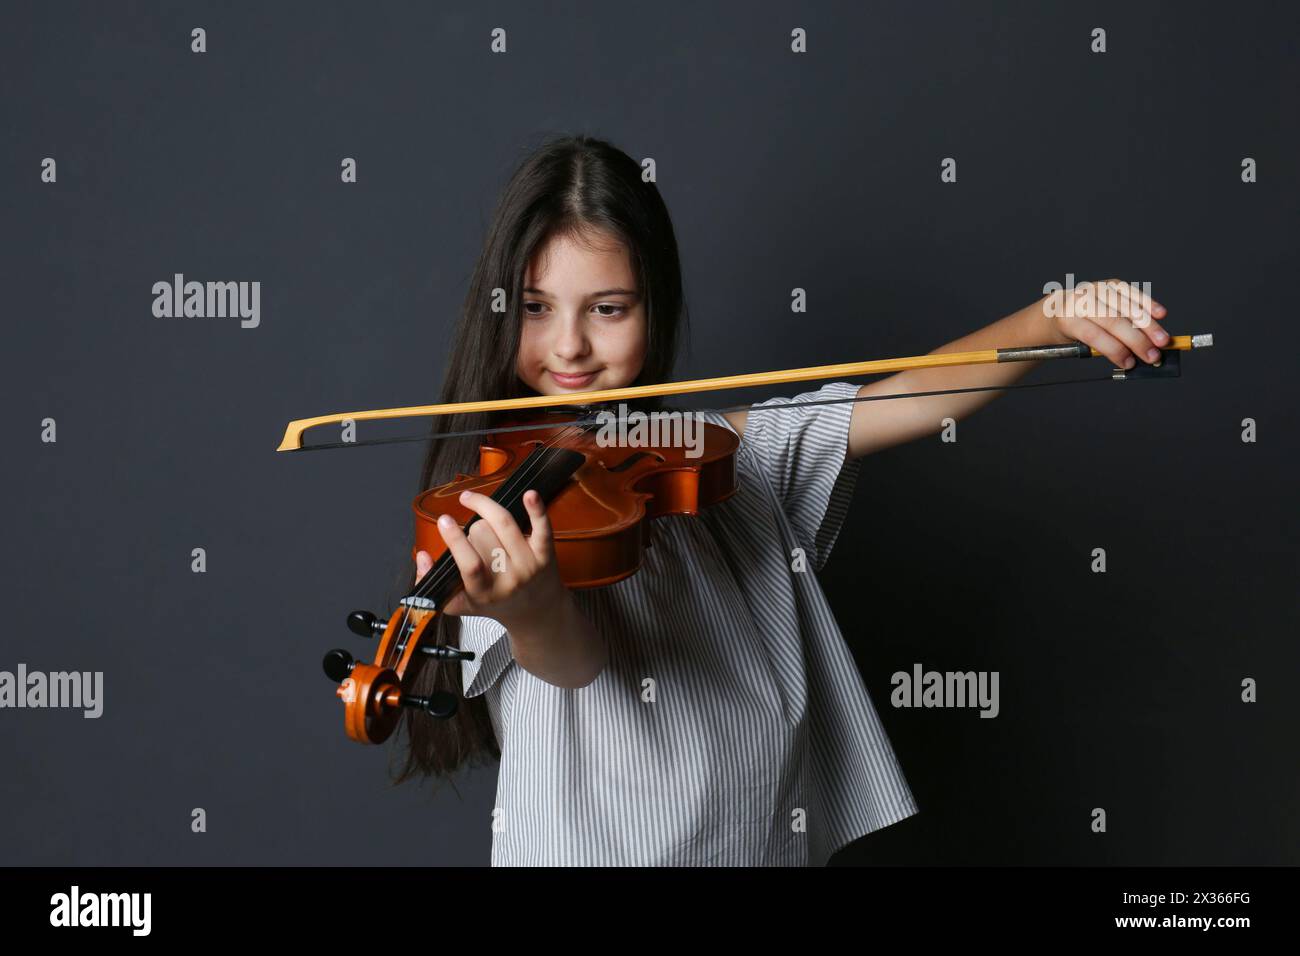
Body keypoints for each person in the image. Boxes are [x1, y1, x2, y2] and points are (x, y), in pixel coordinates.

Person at [392, 134, 1170, 866]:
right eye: (535, 307)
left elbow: (907, 399)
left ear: (654, 307)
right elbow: (571, 664)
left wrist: (1051, 317)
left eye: (608, 308)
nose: (569, 346)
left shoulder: (720, 458)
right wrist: (532, 611)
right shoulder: (487, 509)